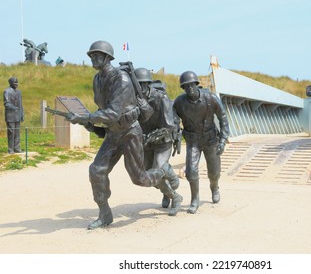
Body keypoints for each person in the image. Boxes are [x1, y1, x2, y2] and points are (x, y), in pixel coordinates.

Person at [66, 40, 176, 229]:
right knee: (96, 170)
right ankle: (105, 214)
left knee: (139, 178)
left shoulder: (122, 79)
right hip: (113, 133)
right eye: (91, 55)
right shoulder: (97, 80)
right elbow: (102, 107)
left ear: (107, 57)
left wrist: (86, 118)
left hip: (129, 132)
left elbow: (113, 112)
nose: (93, 58)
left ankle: (164, 174)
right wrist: (91, 121)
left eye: (96, 55)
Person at [173, 71, 230, 214]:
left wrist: (223, 140)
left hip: (211, 140)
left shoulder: (210, 98)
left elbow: (223, 118)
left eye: (192, 85)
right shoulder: (179, 103)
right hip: (193, 141)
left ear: (196, 84)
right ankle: (195, 199)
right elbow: (173, 119)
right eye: (186, 86)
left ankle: (214, 187)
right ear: (183, 89)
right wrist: (176, 132)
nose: (189, 89)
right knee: (191, 172)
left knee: (214, 172)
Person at [134, 67, 182, 216]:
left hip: (163, 140)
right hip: (146, 142)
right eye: (138, 84)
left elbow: (168, 126)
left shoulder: (161, 98)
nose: (141, 87)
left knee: (157, 171)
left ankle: (175, 196)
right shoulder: (133, 99)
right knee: (149, 176)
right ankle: (167, 187)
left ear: (148, 84)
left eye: (144, 84)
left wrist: (152, 136)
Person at [3, 77, 24, 154]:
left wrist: (22, 114)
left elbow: (21, 104)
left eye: (17, 83)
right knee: (11, 132)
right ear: (10, 83)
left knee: (17, 132)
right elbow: (6, 103)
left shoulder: (19, 92)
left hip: (17, 115)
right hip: (10, 116)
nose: (16, 84)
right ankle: (10, 149)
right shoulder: (7, 91)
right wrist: (14, 108)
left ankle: (17, 148)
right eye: (15, 83)